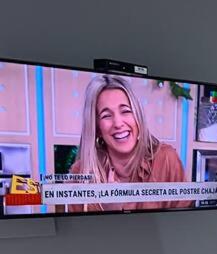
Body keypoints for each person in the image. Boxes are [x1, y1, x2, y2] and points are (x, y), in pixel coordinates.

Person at [68, 74, 191, 212]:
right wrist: (110, 212)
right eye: (106, 115)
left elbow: (184, 224)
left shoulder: (167, 160)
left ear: (138, 118)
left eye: (126, 111)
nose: (118, 123)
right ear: (97, 128)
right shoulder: (80, 173)